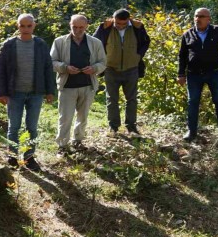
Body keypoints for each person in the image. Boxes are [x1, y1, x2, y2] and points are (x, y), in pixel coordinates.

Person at [0, 14, 56, 172]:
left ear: (34, 26)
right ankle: (12, 156)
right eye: (22, 26)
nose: (25, 29)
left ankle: (29, 158)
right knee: (13, 126)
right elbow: (1, 70)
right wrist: (2, 93)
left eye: (29, 26)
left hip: (36, 93)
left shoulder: (40, 44)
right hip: (14, 93)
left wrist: (50, 91)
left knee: (32, 127)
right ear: (17, 26)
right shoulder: (9, 44)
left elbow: (48, 68)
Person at [177, 7, 218, 142]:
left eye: (201, 16)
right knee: (192, 102)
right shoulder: (188, 34)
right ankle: (191, 131)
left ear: (208, 19)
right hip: (194, 74)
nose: (198, 19)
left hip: (214, 72)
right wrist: (181, 74)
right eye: (196, 16)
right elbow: (182, 56)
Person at [50, 14, 106, 155]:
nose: (78, 29)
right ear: (70, 25)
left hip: (88, 86)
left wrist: (94, 69)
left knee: (83, 117)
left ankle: (78, 141)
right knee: (65, 117)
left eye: (81, 27)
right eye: (74, 26)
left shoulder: (95, 42)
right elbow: (51, 62)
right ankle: (62, 146)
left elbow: (103, 63)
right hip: (67, 86)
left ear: (87, 26)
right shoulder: (59, 42)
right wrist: (65, 68)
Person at [93, 8, 150, 136]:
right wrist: (103, 28)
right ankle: (113, 127)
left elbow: (146, 42)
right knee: (111, 99)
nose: (120, 26)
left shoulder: (137, 27)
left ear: (129, 20)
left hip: (132, 69)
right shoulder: (106, 27)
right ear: (114, 19)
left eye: (124, 24)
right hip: (111, 69)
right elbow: (94, 41)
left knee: (132, 99)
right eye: (118, 23)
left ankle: (131, 127)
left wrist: (138, 56)